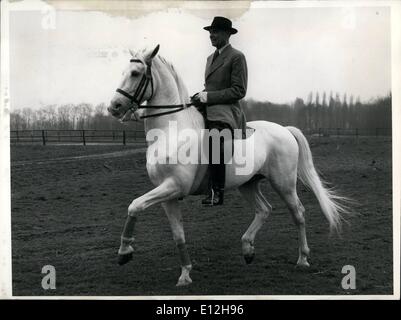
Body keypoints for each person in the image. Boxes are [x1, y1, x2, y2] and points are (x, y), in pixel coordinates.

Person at [191, 16, 248, 206]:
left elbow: (239, 91)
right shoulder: (209, 58)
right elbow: (210, 86)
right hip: (209, 106)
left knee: (213, 138)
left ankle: (217, 191)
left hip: (226, 111)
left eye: (215, 32)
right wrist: (199, 96)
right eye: (210, 32)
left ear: (226, 34)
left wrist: (209, 97)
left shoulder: (236, 56)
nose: (211, 36)